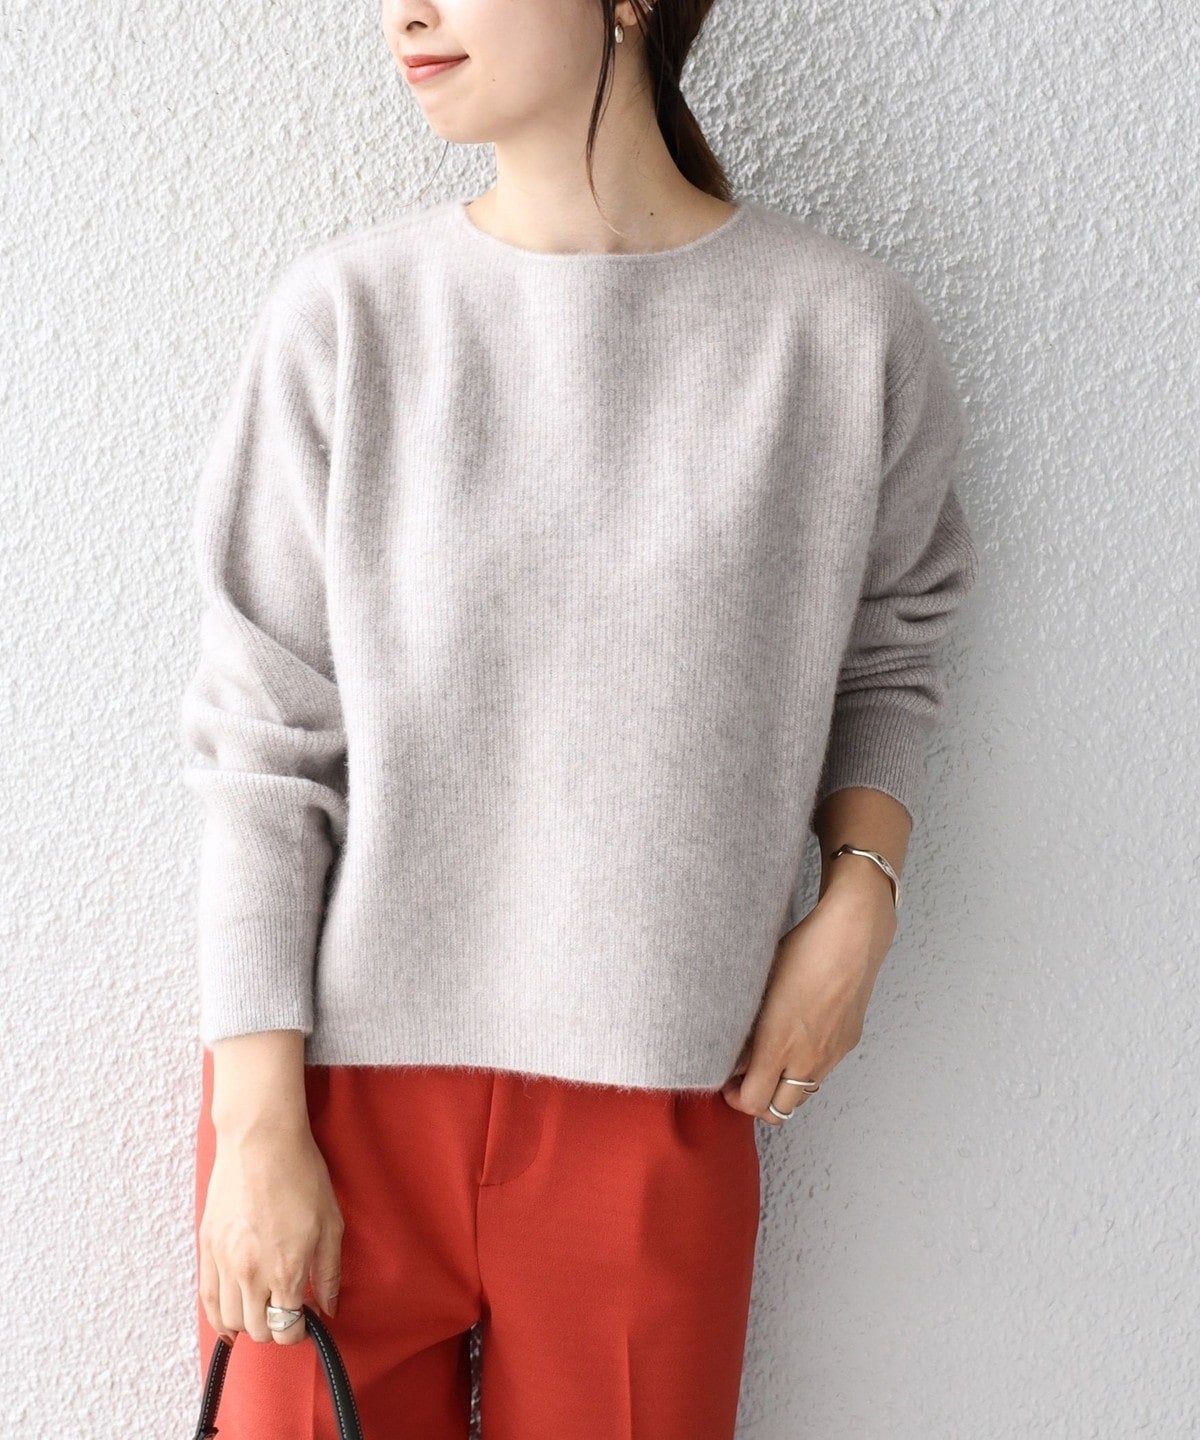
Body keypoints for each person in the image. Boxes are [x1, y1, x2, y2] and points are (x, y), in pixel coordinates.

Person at [180, 1, 981, 1435]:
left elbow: (894, 645)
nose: (406, 12)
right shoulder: (349, 319)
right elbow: (261, 740)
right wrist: (254, 1128)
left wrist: (861, 896)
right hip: (330, 1111)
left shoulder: (840, 332)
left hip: (661, 1100)